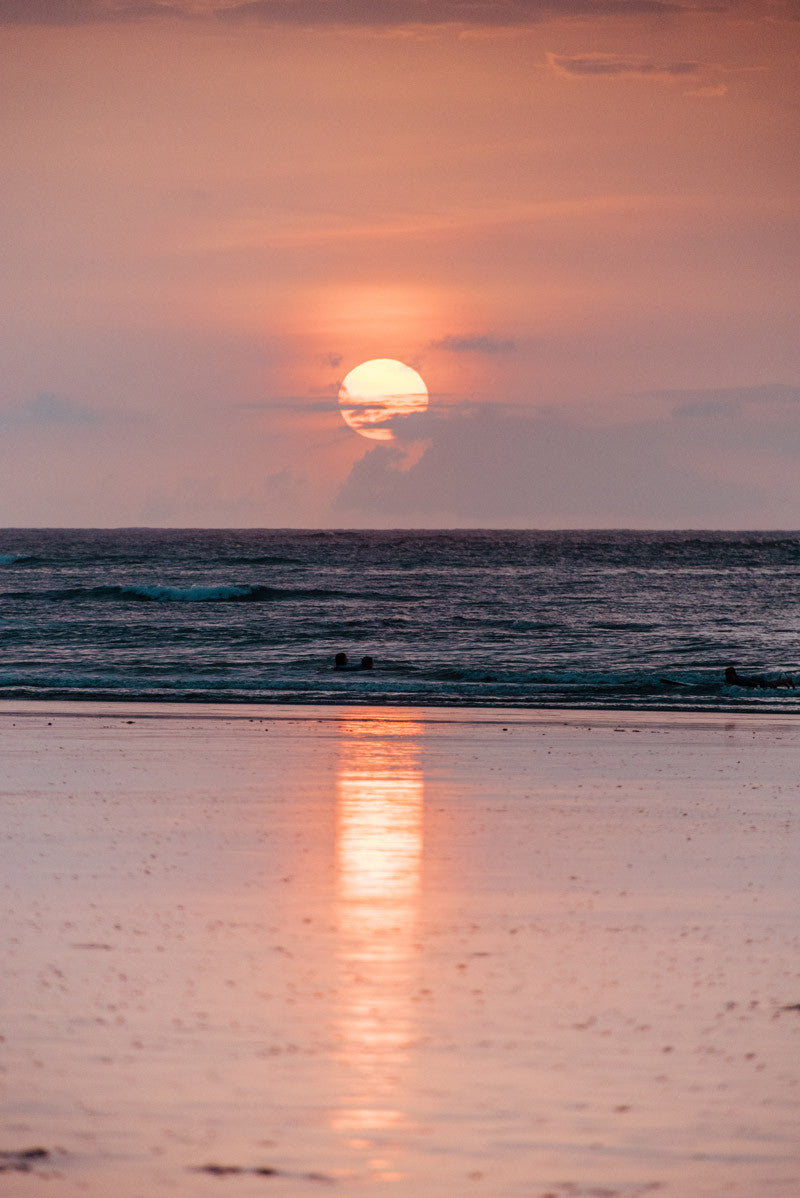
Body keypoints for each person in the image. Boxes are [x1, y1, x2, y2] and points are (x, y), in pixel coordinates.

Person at [724, 665, 795, 689]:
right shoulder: (734, 679)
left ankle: (788, 680)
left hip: (757, 681)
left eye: (730, 676)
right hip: (755, 680)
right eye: (727, 676)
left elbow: (750, 683)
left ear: (734, 675)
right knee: (772, 684)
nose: (728, 678)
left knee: (772, 685)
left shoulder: (738, 680)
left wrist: (756, 687)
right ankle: (784, 681)